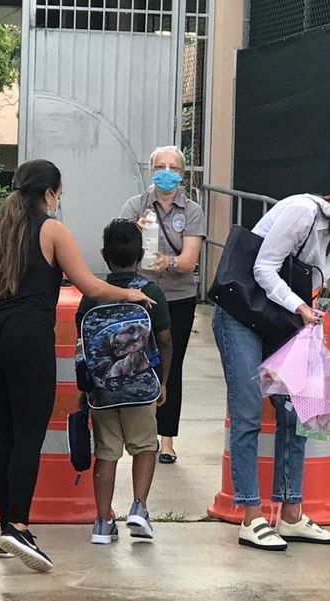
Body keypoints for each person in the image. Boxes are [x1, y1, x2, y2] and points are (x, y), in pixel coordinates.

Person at [0, 159, 153, 573]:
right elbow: (88, 284)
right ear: (49, 193)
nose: (58, 200)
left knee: (5, 435)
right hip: (28, 339)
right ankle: (18, 527)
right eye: (59, 193)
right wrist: (130, 296)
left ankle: (6, 531)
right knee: (29, 435)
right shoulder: (52, 231)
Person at [212, 172, 330, 551]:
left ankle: (291, 513)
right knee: (248, 411)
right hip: (241, 314)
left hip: (282, 320)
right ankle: (251, 516)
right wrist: (300, 306)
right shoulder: (303, 212)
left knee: (296, 411)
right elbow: (263, 267)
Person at [75, 219, 173, 545]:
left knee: (106, 452)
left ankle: (103, 521)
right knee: (145, 446)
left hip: (102, 392)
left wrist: (85, 388)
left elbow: (83, 347)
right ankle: (138, 507)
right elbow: (165, 341)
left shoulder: (92, 296)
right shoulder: (151, 293)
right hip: (141, 389)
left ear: (104, 254)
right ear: (141, 254)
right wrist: (163, 382)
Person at [120, 146, 205, 464]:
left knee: (172, 365)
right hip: (141, 294)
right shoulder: (136, 205)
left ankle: (166, 438)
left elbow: (189, 261)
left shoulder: (192, 211)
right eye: (160, 166)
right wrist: (136, 231)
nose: (166, 173)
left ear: (182, 174)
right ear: (151, 170)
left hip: (178, 297)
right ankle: (143, 435)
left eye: (173, 168)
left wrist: (167, 261)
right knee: (138, 361)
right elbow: (119, 252)